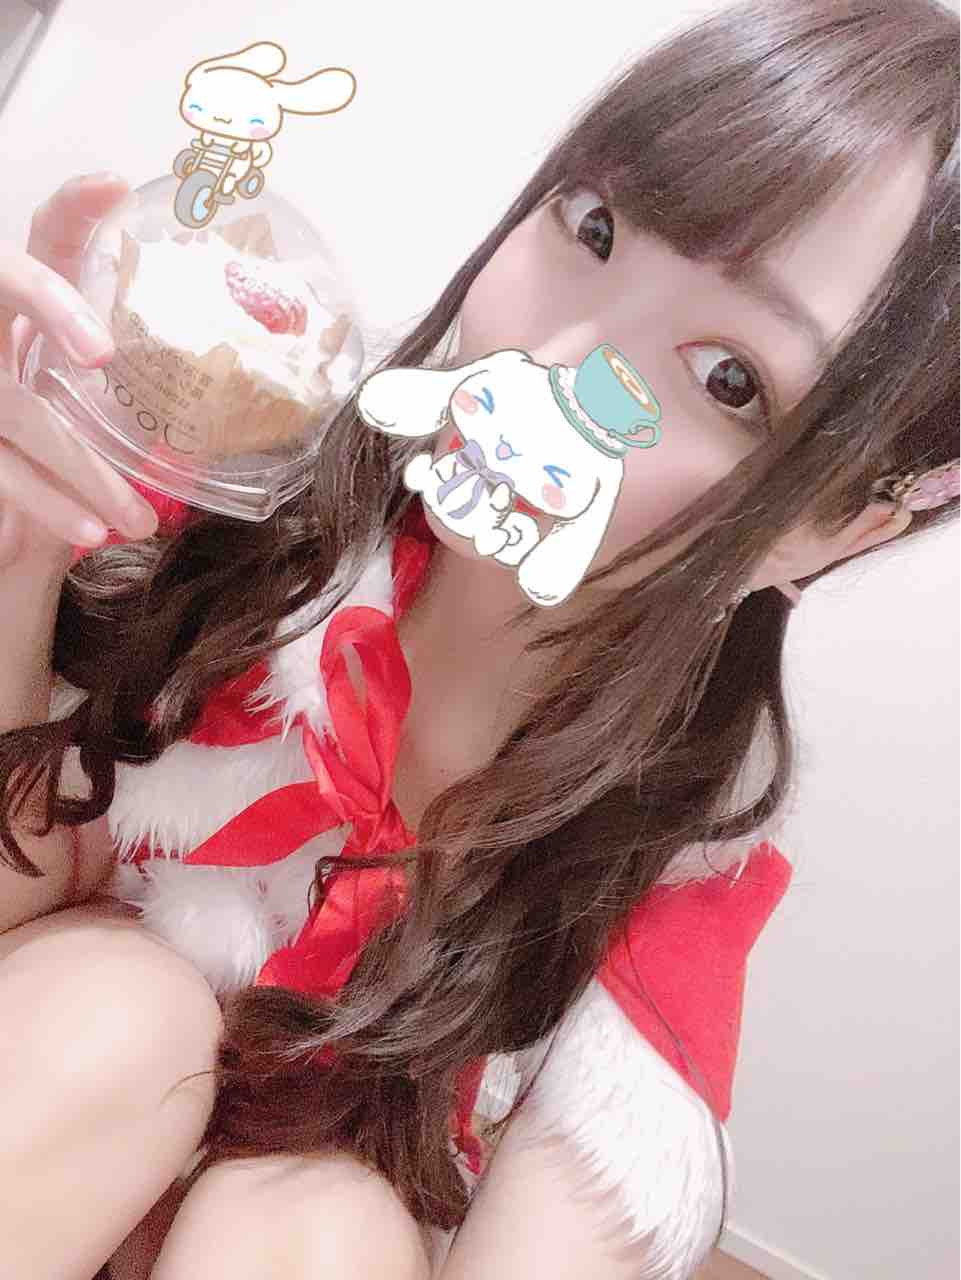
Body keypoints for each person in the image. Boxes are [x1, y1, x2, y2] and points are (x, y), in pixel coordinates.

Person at [0, 1, 957, 1276]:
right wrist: (18, 545)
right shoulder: (246, 501)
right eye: (593, 227)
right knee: (120, 1013)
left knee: (317, 1227)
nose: (552, 361)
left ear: (837, 525)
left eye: (728, 378)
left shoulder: (679, 849)